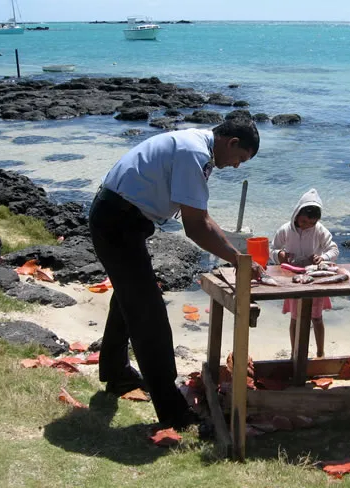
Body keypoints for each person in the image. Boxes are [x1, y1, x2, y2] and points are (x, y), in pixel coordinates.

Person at [88, 119, 263, 429]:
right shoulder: (195, 153)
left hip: (121, 217)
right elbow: (196, 227)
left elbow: (201, 216)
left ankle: (116, 373)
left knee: (130, 297)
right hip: (117, 221)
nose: (236, 166)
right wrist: (237, 260)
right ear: (232, 142)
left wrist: (235, 256)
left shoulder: (195, 145)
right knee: (149, 314)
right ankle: (172, 411)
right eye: (240, 158)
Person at [270, 189, 339, 358]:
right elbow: (271, 249)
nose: (306, 225)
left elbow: (334, 249)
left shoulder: (319, 230)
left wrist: (323, 258)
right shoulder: (285, 230)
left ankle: (320, 353)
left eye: (311, 223)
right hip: (293, 280)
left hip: (314, 280)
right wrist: (279, 255)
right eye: (303, 221)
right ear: (296, 214)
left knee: (317, 318)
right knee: (295, 318)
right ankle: (295, 353)